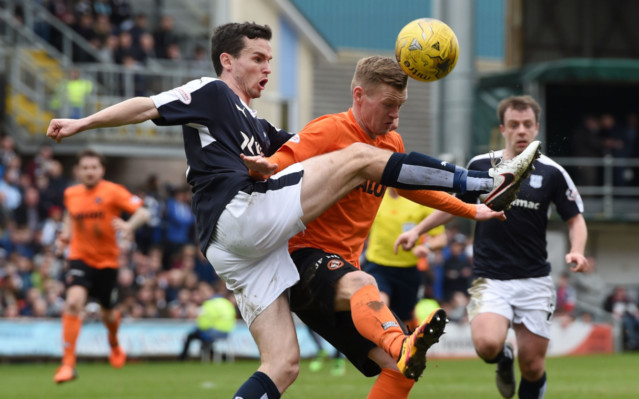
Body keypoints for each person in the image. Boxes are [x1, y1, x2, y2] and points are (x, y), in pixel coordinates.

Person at [47, 23, 537, 398]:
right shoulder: (212, 93)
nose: (266, 68)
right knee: (362, 159)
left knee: (282, 364)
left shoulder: (259, 123)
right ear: (227, 61)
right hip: (238, 215)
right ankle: (486, 180)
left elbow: (293, 153)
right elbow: (146, 105)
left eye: (269, 59)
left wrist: (271, 163)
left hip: (242, 254)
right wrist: (81, 123)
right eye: (258, 59)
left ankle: (397, 344)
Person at [246, 56, 538, 398]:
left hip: (341, 270)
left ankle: (400, 349)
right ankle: (401, 343)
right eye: (388, 105)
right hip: (300, 260)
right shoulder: (329, 129)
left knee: (399, 372)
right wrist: (267, 165)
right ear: (359, 96)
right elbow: (287, 157)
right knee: (363, 284)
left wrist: (471, 212)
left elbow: (415, 190)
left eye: (400, 106)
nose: (395, 116)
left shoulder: (391, 143)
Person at [396, 95, 589, 399]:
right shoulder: (482, 165)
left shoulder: (552, 172)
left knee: (533, 365)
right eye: (514, 125)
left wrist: (577, 250)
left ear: (536, 127)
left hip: (534, 279)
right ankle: (502, 359)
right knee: (487, 346)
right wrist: (419, 230)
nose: (521, 130)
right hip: (489, 278)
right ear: (503, 128)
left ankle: (521, 369)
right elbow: (455, 205)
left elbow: (575, 219)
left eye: (527, 124)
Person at [53, 149, 150, 384]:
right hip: (80, 258)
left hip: (107, 262)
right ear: (78, 170)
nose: (89, 171)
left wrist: (129, 227)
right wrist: (64, 237)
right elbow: (70, 217)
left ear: (101, 170)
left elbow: (143, 213)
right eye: (85, 168)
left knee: (108, 313)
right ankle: (68, 363)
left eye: (93, 167)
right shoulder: (71, 194)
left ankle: (114, 344)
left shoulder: (113, 191)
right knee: (74, 302)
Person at [364, 187, 446, 329]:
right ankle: (373, 345)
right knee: (380, 304)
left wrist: (426, 247)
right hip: (377, 265)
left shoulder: (421, 199)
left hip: (408, 270)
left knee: (404, 321)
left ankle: (404, 347)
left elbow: (441, 238)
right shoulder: (375, 195)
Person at [178, 283, 237, 361]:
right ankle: (217, 356)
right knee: (203, 336)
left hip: (213, 332)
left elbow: (203, 324)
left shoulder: (209, 304)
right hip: (226, 332)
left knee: (193, 335)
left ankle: (183, 358)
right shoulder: (227, 303)